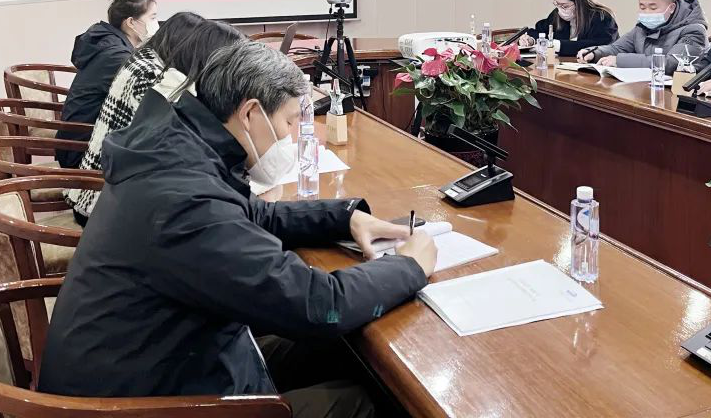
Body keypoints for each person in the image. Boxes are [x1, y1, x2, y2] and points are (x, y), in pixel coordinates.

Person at [38, 40, 437, 418]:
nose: (291, 135)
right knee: (368, 401)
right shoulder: (186, 201)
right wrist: (409, 266)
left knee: (347, 353)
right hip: (147, 401)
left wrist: (344, 216)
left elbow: (251, 215)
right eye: (289, 121)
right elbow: (318, 306)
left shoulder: (176, 148)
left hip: (169, 361)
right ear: (250, 114)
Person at [66, 12, 244, 224]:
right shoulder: (154, 77)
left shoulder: (144, 59)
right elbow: (193, 140)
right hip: (102, 204)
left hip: (100, 188)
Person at [56, 0, 157, 167]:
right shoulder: (116, 56)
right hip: (83, 151)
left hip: (79, 139)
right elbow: (147, 96)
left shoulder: (108, 43)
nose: (156, 24)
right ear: (131, 22)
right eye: (152, 17)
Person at [578, 0, 708, 73]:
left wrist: (620, 60)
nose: (646, 13)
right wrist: (594, 53)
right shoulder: (643, 26)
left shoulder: (694, 31)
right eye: (642, 7)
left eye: (653, 7)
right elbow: (617, 48)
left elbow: (671, 64)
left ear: (671, 8)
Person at [519, 0, 619, 56]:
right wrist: (531, 39)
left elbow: (598, 47)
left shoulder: (603, 18)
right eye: (557, 4)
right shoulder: (557, 14)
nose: (560, 9)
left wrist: (558, 45)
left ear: (580, 3)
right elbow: (540, 31)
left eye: (565, 6)